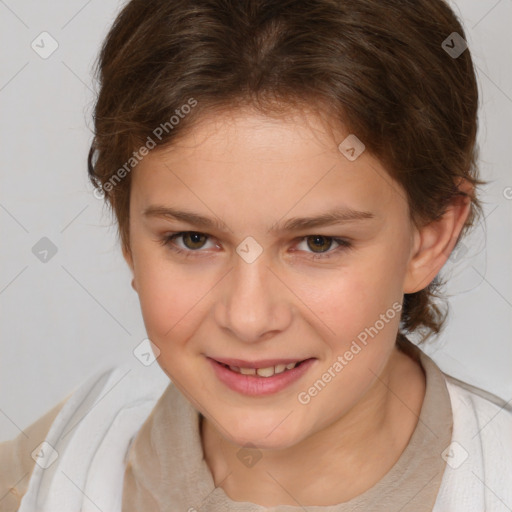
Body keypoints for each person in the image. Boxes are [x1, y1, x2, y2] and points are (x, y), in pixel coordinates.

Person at [2, 0, 511, 510]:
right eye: (192, 239)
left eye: (319, 243)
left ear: (428, 238)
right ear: (128, 236)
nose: (248, 319)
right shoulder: (50, 473)